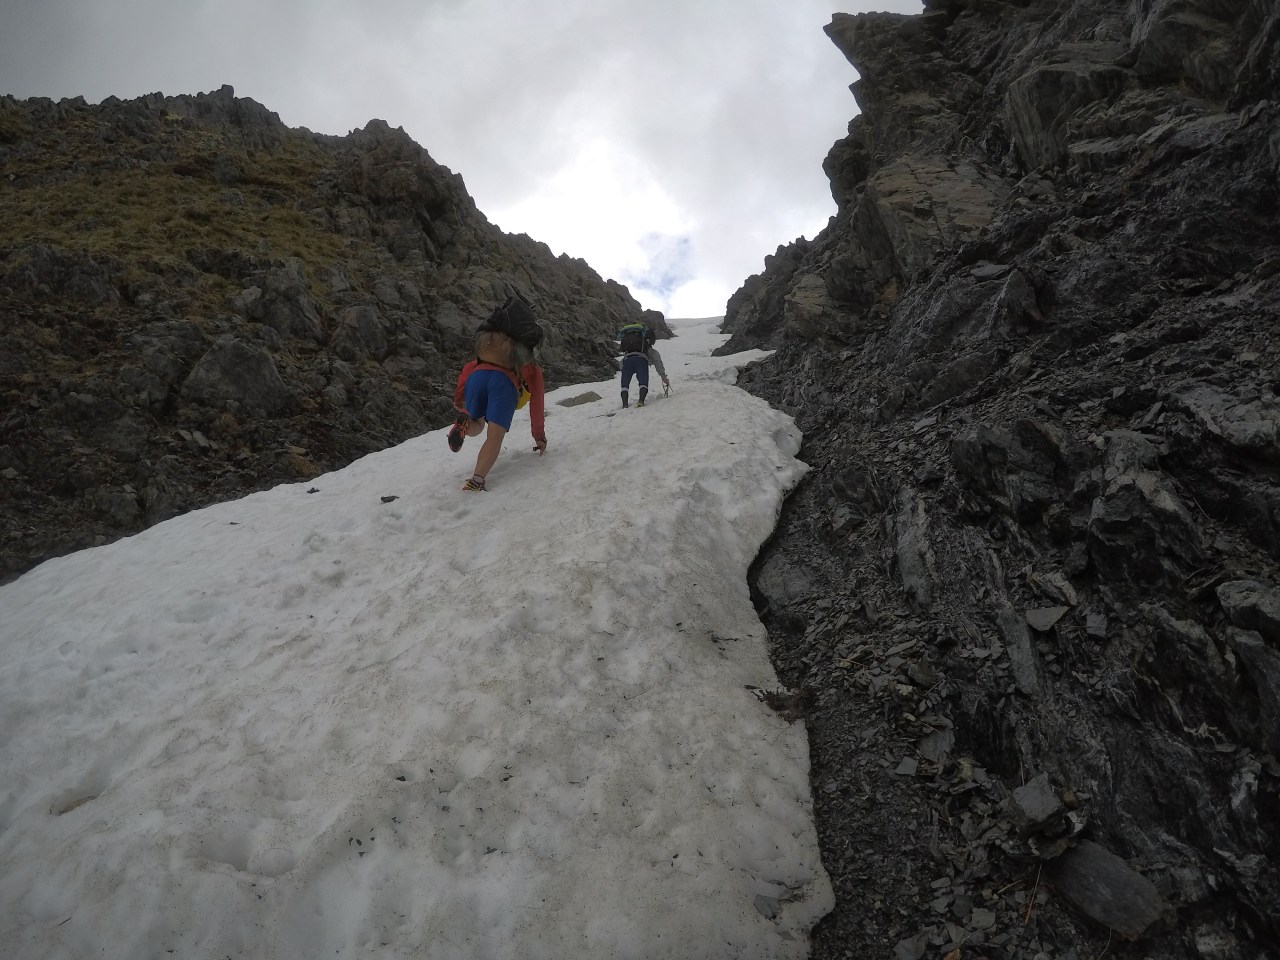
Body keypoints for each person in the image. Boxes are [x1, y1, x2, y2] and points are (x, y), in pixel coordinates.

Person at [448, 326, 546, 492]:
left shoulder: (491, 354)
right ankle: (476, 482)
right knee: (494, 436)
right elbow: (537, 403)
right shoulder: (530, 367)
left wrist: (459, 400)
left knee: (477, 422)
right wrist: (539, 436)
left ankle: (463, 425)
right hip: (503, 384)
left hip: (476, 377)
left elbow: (467, 370)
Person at [617, 322, 670, 408]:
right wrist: (663, 376)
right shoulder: (647, 347)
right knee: (643, 383)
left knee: (624, 385)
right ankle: (641, 401)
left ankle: (625, 404)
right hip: (641, 360)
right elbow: (657, 361)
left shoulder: (629, 346)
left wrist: (624, 369)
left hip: (627, 360)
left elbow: (621, 364)